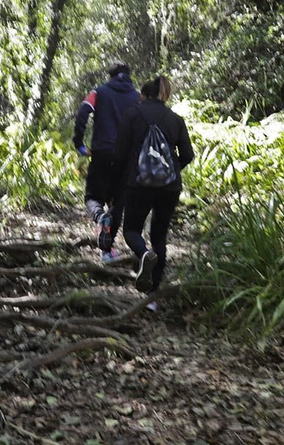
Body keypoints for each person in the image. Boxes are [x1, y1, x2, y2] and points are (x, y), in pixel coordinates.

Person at [118, 75, 194, 293]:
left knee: (132, 229)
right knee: (159, 235)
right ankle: (153, 293)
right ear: (163, 94)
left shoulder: (132, 114)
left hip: (138, 184)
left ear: (144, 94)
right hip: (169, 188)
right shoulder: (176, 119)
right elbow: (187, 154)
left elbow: (120, 153)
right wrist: (169, 172)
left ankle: (143, 254)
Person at [73, 63, 138, 261]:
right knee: (118, 203)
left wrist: (79, 143)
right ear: (128, 77)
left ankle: (100, 217)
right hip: (125, 156)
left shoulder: (98, 92)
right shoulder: (138, 97)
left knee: (93, 198)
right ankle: (107, 252)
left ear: (111, 77)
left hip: (101, 152)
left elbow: (83, 112)